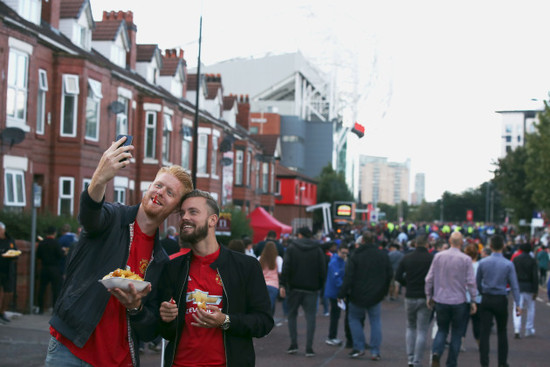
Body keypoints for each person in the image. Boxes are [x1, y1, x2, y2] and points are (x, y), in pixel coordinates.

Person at [45, 137, 193, 367]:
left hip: (120, 359)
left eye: (170, 193)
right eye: (158, 185)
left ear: (175, 209)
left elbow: (149, 330)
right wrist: (99, 179)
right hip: (71, 349)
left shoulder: (160, 260)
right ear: (149, 187)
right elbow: (90, 216)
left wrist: (136, 307)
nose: (161, 192)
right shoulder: (113, 218)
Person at [151, 189, 273, 366]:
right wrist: (166, 319)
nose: (184, 217)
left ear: (213, 220)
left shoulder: (245, 266)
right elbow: (167, 333)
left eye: (193, 212)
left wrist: (225, 320)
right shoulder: (173, 268)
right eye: (182, 213)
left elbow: (264, 322)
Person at [338, 230, 392, 361]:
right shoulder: (382, 255)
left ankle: (359, 347)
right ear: (374, 241)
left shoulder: (356, 255)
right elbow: (389, 274)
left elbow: (349, 276)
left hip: (357, 293)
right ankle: (375, 351)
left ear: (362, 241)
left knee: (354, 319)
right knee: (375, 321)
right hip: (376, 294)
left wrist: (342, 293)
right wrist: (383, 291)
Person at [425, 231, 477, 367]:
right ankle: (451, 363)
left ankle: (436, 353)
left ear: (449, 241)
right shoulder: (466, 259)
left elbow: (429, 279)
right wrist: (473, 300)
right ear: (461, 243)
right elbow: (471, 282)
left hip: (441, 299)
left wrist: (429, 296)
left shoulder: (438, 257)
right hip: (459, 301)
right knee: (457, 334)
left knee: (442, 330)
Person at [280, 226, 327, 357]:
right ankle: (309, 348)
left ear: (300, 235)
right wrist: (320, 285)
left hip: (294, 287)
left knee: (292, 316)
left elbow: (286, 267)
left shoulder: (292, 248)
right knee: (311, 318)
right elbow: (323, 270)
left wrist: (283, 284)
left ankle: (293, 344)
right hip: (312, 289)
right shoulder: (317, 249)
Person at [476, 234, 521, 367]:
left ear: (490, 246)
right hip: (501, 299)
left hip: (487, 298)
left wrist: (482, 292)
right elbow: (514, 285)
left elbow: (477, 282)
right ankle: (502, 363)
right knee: (502, 331)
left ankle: (484, 362)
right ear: (503, 246)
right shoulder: (508, 264)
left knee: (484, 332)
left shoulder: (483, 262)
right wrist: (518, 304)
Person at [395, 234, 434, 367]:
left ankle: (410, 358)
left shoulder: (407, 258)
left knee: (410, 326)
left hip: (410, 295)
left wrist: (406, 283)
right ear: (427, 245)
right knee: (422, 330)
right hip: (425, 296)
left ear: (415, 244)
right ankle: (417, 360)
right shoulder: (431, 259)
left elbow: (397, 276)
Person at [324, 243, 351, 348]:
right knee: (335, 315)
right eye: (343, 253)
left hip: (336, 291)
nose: (344, 255)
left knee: (336, 314)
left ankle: (332, 336)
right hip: (335, 292)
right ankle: (331, 336)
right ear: (339, 251)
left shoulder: (340, 261)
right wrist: (343, 287)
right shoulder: (335, 262)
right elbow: (336, 278)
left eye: (346, 253)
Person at [512, 242, 538, 338]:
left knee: (517, 307)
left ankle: (517, 328)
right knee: (531, 308)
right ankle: (529, 328)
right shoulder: (532, 260)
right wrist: (535, 290)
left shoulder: (516, 259)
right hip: (530, 287)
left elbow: (512, 274)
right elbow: (535, 276)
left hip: (518, 286)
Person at [37, 226, 64, 315]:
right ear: (54, 233)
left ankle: (40, 309)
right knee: (56, 289)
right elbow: (60, 255)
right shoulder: (56, 243)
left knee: (42, 288)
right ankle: (54, 310)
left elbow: (38, 255)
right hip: (54, 268)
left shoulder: (42, 243)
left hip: (44, 268)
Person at [0, 221, 18, 324]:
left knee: (9, 292)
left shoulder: (10, 240)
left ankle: (2, 311)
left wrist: (12, 254)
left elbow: (15, 251)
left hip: (8, 270)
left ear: (3, 230)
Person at [259, 241, 283, 316]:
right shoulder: (278, 259)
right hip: (273, 285)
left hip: (262, 284)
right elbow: (280, 272)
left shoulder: (260, 258)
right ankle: (269, 320)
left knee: (262, 304)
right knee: (271, 304)